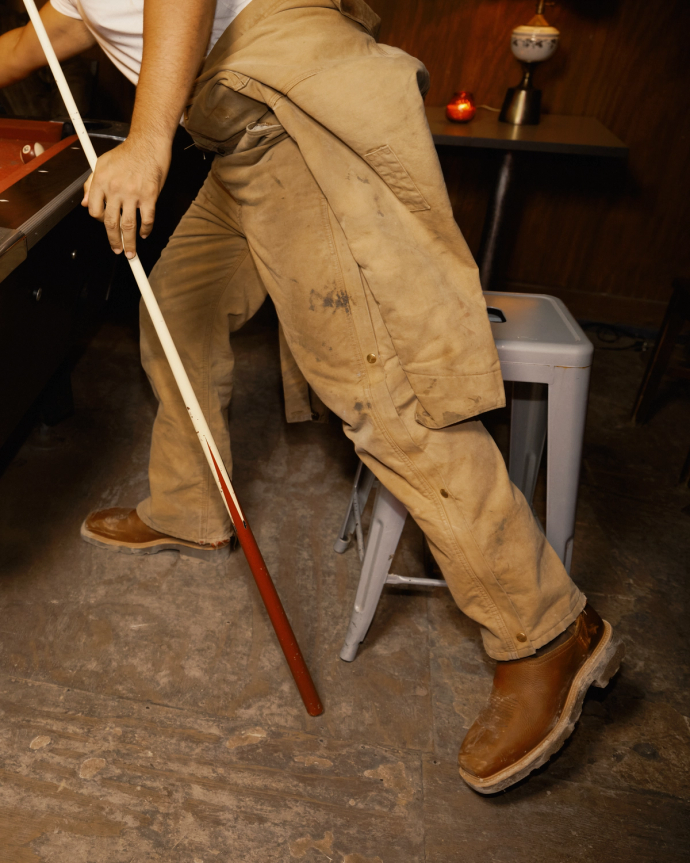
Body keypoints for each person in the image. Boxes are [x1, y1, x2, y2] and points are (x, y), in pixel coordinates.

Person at [0, 0, 624, 794]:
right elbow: (54, 33)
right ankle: (192, 508)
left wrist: (151, 141)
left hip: (279, 100)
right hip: (233, 130)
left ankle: (544, 629)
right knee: (178, 310)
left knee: (377, 390)